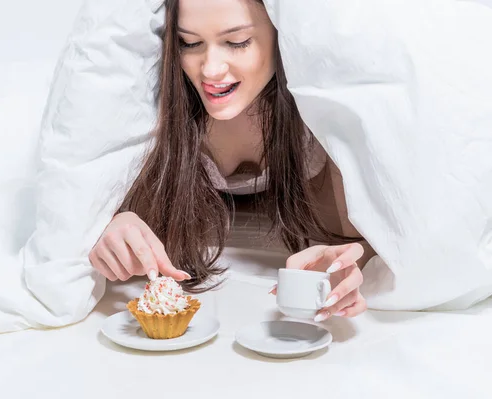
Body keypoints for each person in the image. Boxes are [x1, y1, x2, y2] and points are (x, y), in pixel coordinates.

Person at [89, 0, 377, 322]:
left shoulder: (317, 121)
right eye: (190, 42)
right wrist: (107, 223)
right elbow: (113, 207)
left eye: (237, 42)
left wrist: (344, 265)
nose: (210, 69)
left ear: (283, 34)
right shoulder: (155, 112)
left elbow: (355, 240)